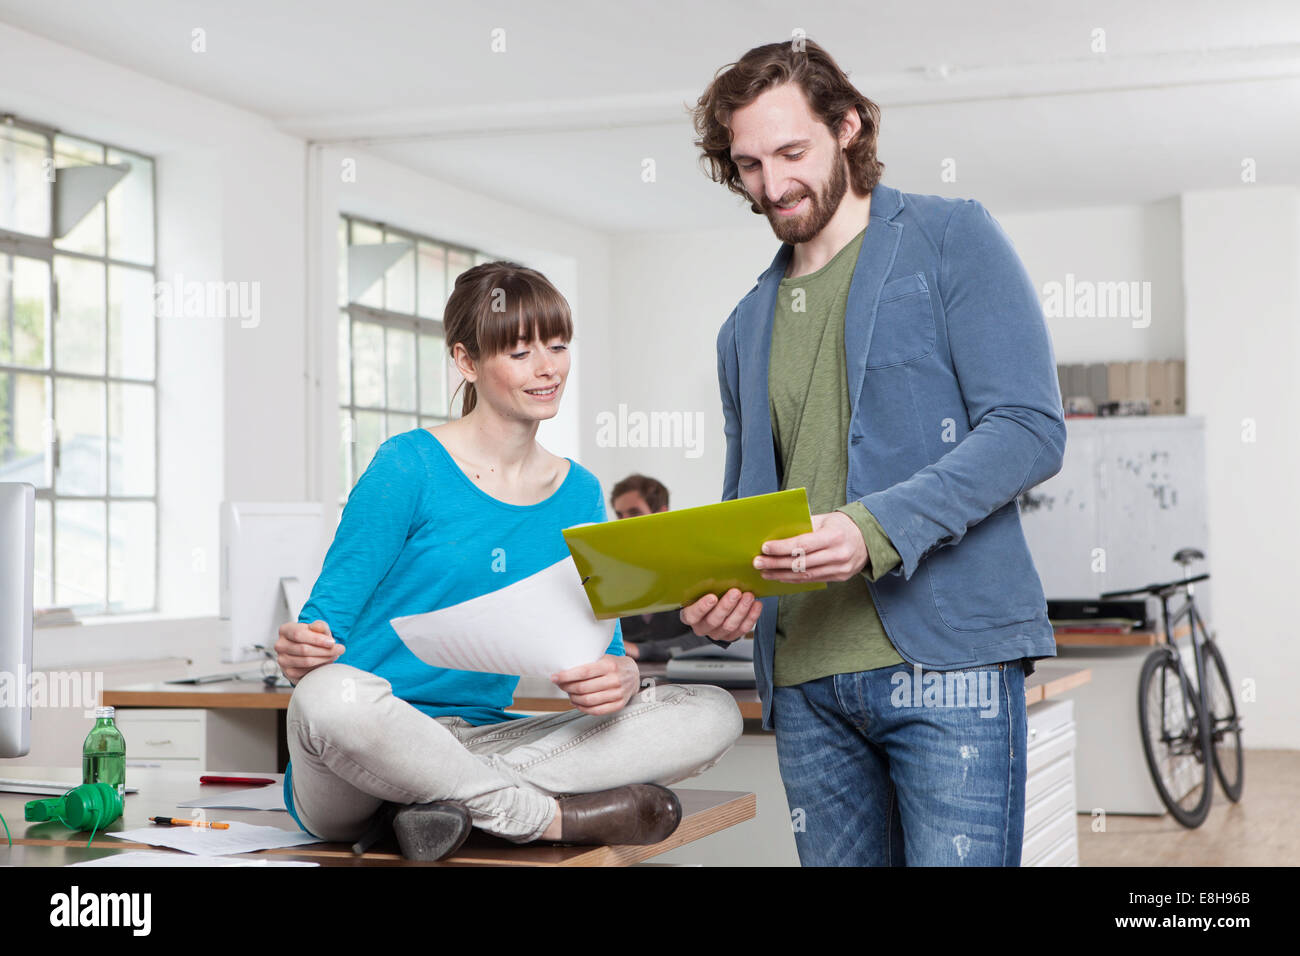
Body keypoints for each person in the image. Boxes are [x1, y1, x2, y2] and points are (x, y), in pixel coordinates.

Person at [680, 40, 1066, 866]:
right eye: (748, 164)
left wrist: (871, 530)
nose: (773, 185)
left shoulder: (950, 238)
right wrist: (723, 590)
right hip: (806, 682)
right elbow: (748, 512)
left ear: (847, 127)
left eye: (792, 153)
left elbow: (1029, 429)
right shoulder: (742, 328)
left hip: (950, 663)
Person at [276, 261, 743, 861]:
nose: (548, 368)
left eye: (557, 345)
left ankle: (441, 802)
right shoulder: (407, 466)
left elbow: (602, 651)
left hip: (489, 737)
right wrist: (300, 649)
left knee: (709, 711)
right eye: (521, 352)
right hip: (364, 755)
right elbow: (317, 636)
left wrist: (619, 677)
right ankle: (537, 816)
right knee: (328, 697)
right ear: (467, 361)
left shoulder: (580, 493)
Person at [609, 474, 714, 662]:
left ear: (661, 514)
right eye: (619, 515)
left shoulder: (696, 564)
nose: (622, 522)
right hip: (622, 673)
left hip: (688, 675)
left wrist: (644, 650)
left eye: (634, 513)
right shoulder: (609, 568)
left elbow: (712, 637)